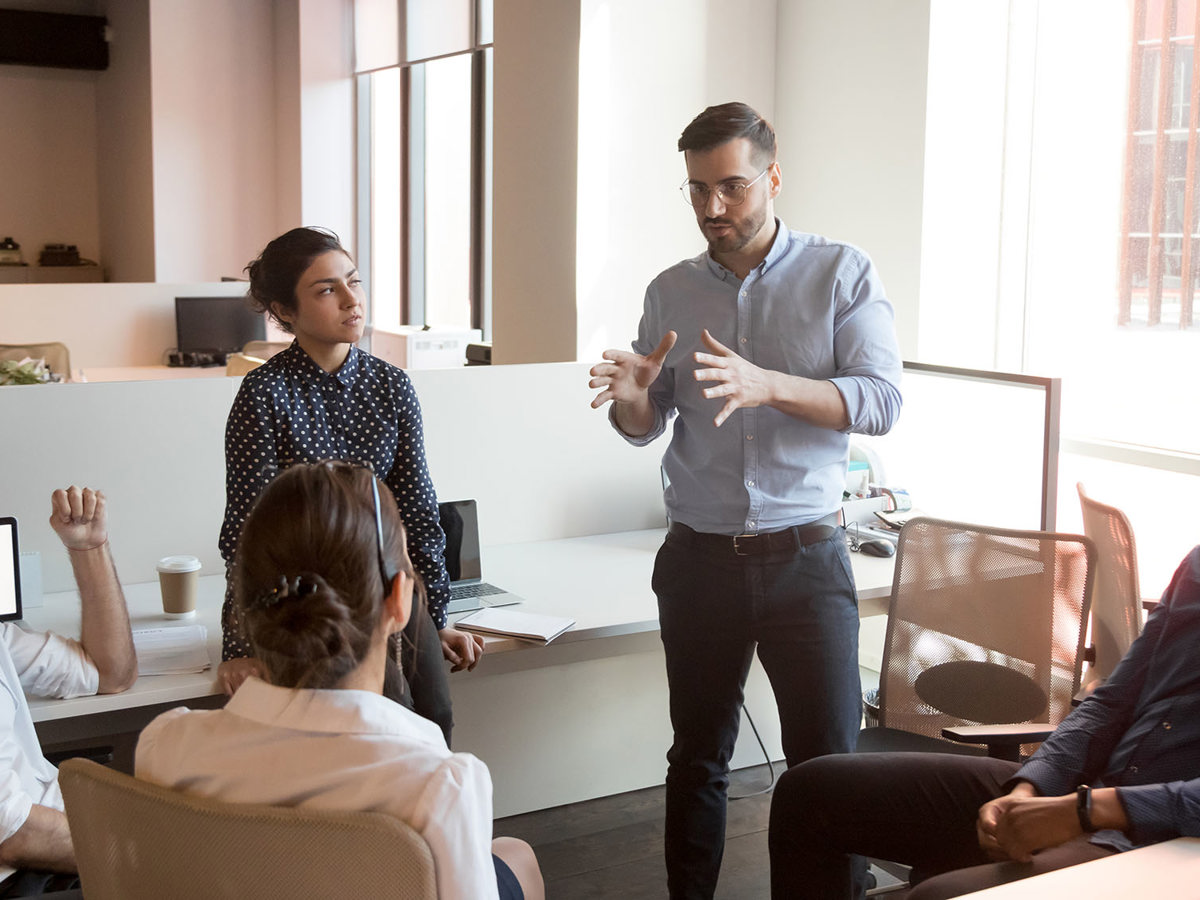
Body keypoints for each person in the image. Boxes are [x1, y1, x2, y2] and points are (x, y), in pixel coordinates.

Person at [588, 101, 903, 898]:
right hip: (699, 561)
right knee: (696, 757)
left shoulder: (842, 272)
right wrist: (632, 399)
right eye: (696, 190)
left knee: (826, 768)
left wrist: (769, 386)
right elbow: (646, 425)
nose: (712, 209)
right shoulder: (669, 291)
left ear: (773, 177)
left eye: (730, 187)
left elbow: (879, 401)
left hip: (807, 559)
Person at [137, 463, 543, 900]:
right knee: (516, 855)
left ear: (244, 611)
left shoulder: (166, 745)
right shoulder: (440, 783)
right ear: (399, 601)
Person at [768, 544, 1200, 899]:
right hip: (1086, 792)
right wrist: (1034, 785)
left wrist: (1086, 812)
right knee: (810, 793)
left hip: (1163, 838)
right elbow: (1110, 702)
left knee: (936, 897)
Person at [217, 226, 483, 744]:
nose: (351, 301)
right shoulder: (263, 394)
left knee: (434, 721)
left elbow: (418, 513)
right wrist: (240, 648)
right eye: (326, 290)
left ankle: (431, 822)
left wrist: (438, 617)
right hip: (308, 605)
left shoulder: (392, 385)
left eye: (353, 283)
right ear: (285, 311)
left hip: (391, 587)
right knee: (379, 722)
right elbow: (246, 534)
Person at [0, 487, 137, 897]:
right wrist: (139, 851)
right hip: (26, 875)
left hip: (55, 846)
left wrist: (90, 548)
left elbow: (110, 673)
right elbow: (15, 833)